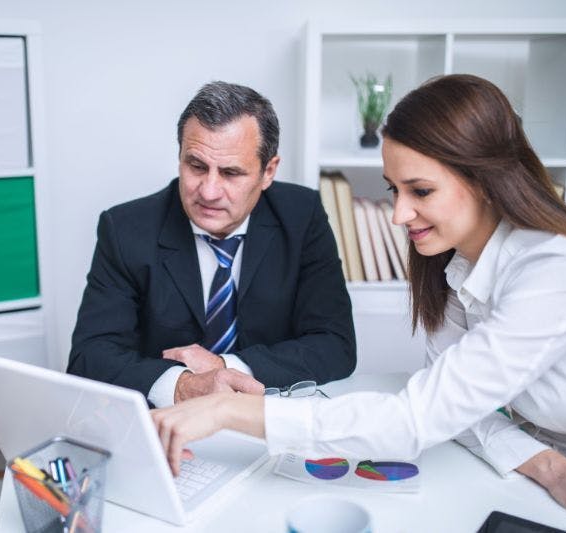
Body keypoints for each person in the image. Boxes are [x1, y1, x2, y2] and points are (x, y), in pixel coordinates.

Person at [151, 74, 566, 528]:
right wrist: (553, 469)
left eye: (421, 191)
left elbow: (413, 420)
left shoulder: (557, 271)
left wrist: (225, 409)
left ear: (484, 180)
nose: (398, 213)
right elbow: (460, 415)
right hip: (550, 481)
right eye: (395, 189)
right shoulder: (455, 266)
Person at [67, 81, 356, 408]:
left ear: (268, 172)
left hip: (266, 418)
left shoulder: (301, 217)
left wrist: (225, 368)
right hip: (167, 424)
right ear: (180, 157)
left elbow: (336, 346)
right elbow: (88, 358)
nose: (208, 191)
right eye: (196, 166)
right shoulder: (125, 229)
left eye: (231, 173)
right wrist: (183, 385)